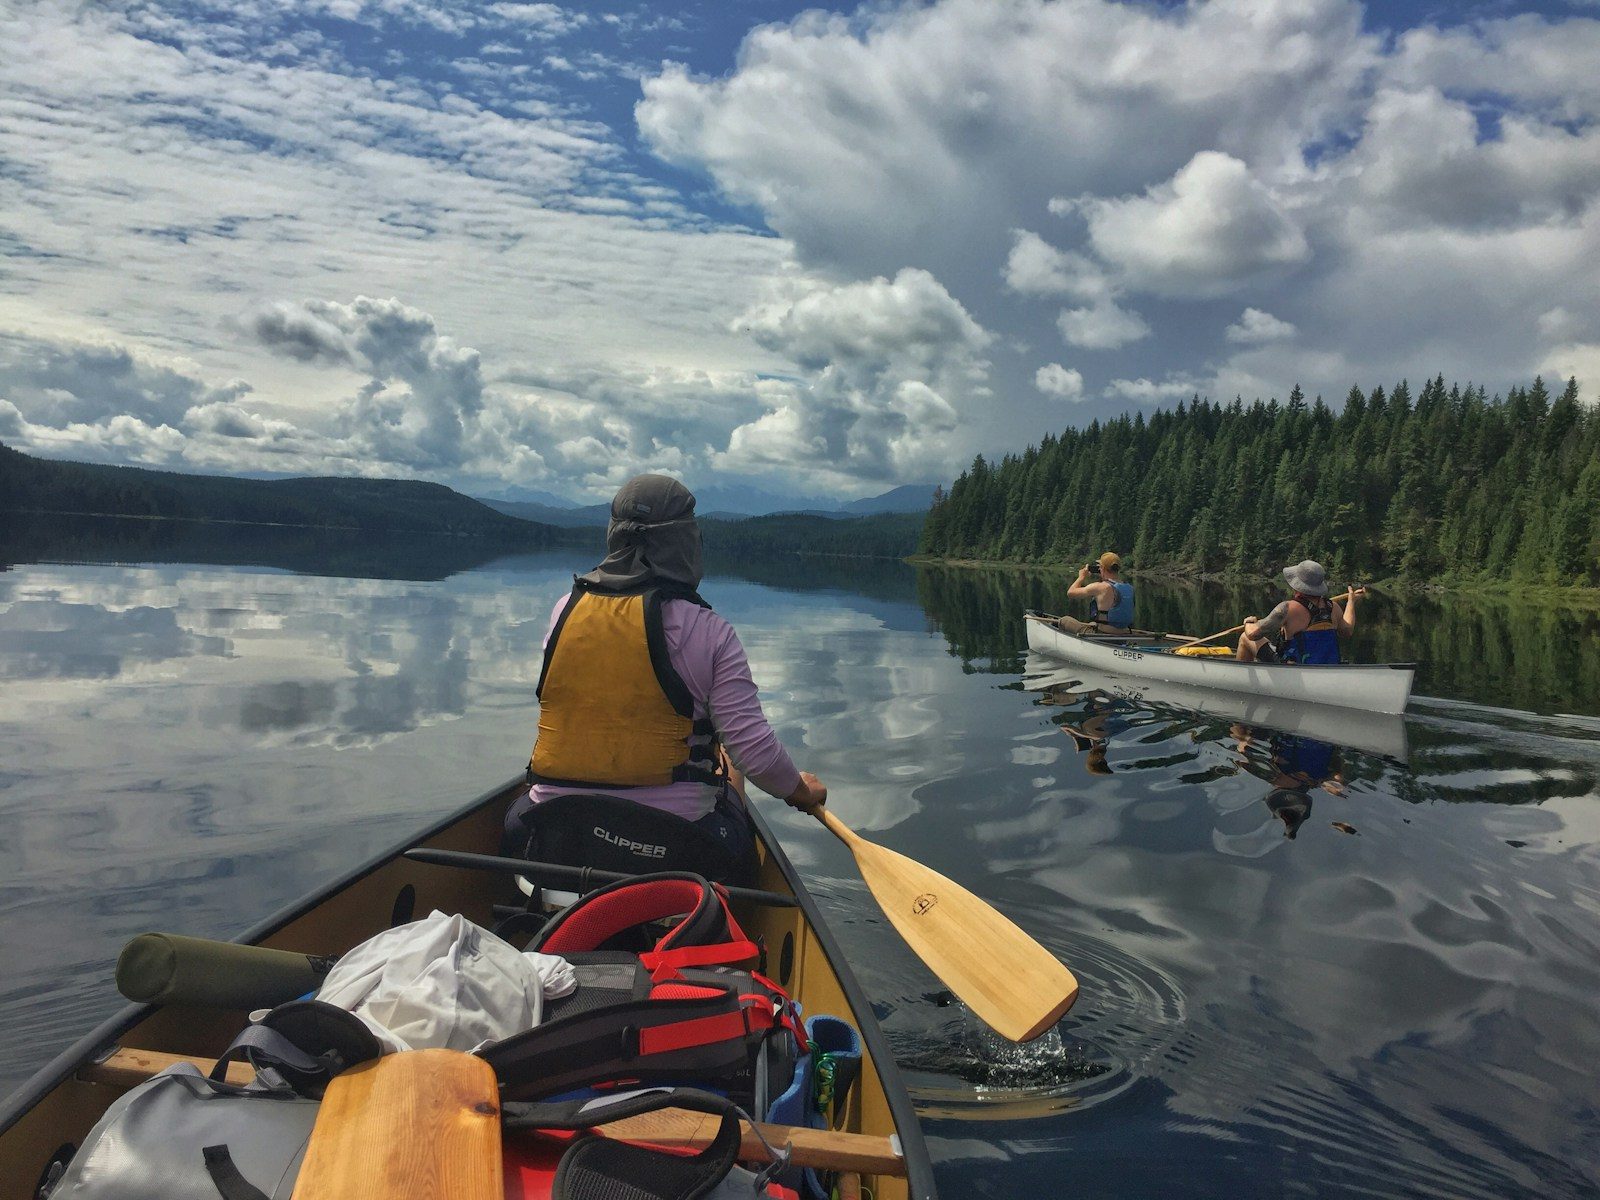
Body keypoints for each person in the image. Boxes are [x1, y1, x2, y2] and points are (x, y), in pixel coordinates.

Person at [508, 474, 827, 865]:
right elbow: (756, 756)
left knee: (518, 812)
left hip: (553, 829)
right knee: (729, 764)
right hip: (670, 842)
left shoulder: (565, 610)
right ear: (685, 542)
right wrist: (800, 792)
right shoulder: (709, 631)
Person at [1237, 560, 1364, 664]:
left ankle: (1243, 682)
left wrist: (1249, 623)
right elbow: (1347, 631)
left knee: (1244, 637)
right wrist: (1351, 602)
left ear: (1297, 585)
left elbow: (1253, 634)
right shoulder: (1333, 607)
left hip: (1293, 670)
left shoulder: (1287, 608)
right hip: (1327, 668)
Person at [1063, 551, 1135, 634]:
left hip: (1102, 635)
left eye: (1099, 567)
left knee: (1064, 620)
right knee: (1092, 624)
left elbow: (1070, 593)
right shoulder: (1130, 588)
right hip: (1123, 634)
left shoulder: (1101, 587)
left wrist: (1081, 577)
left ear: (1103, 568)